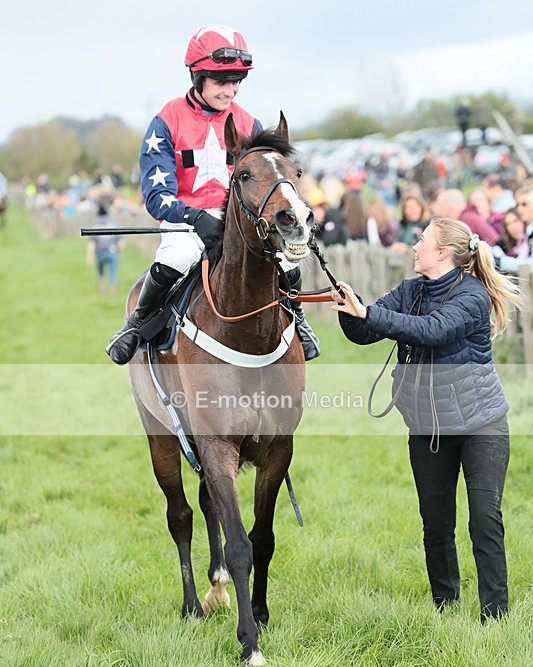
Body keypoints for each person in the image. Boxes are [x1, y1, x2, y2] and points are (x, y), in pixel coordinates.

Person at [330, 217, 522, 623]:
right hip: (428, 428)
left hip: (481, 425)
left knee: (484, 521)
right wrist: (351, 309)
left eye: (422, 241)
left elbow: (431, 331)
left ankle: (496, 617)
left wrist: (370, 313)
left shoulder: (472, 297)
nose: (414, 246)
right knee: (436, 524)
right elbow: (367, 331)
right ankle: (445, 608)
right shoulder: (411, 290)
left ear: (442, 253)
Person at [106, 25, 320, 364]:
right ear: (198, 76)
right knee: (175, 259)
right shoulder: (166, 120)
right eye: (222, 81)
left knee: (284, 262)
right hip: (186, 221)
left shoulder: (248, 122)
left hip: (238, 220)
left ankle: (299, 322)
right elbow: (156, 196)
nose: (231, 90)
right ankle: (135, 325)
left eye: (236, 81)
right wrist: (193, 216)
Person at [430, 188, 499, 246]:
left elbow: (494, 242)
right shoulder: (468, 217)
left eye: (441, 207)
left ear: (448, 207)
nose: (438, 212)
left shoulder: (466, 221)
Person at [86, 201, 124, 298]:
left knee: (100, 274)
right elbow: (121, 240)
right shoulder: (113, 223)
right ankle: (114, 295)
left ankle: (102, 294)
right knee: (113, 274)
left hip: (100, 252)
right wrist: (118, 253)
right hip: (112, 251)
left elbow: (92, 243)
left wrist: (89, 258)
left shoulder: (95, 225)